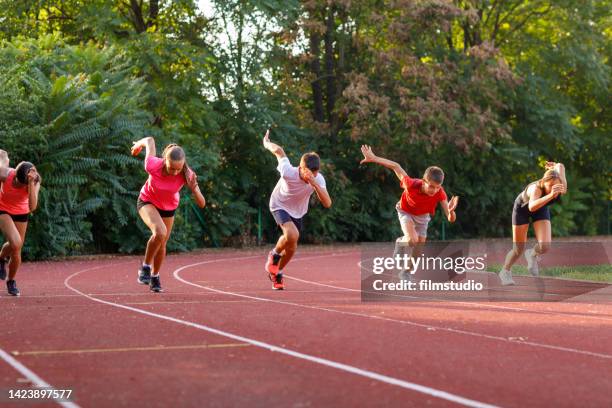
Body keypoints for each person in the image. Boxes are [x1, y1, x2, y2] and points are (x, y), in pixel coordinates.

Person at [359, 145, 458, 279]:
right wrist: (374, 158)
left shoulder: (440, 193)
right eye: (431, 186)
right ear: (424, 181)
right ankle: (400, 242)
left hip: (423, 216)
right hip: (405, 211)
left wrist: (451, 211)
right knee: (412, 240)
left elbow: (450, 219)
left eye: (437, 187)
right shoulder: (411, 184)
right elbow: (396, 166)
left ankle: (406, 272)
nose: (433, 190)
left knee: (419, 248)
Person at [131, 137, 206, 292]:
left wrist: (193, 189)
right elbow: (150, 141)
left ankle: (155, 276)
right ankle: (145, 267)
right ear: (164, 160)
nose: (175, 172)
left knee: (162, 242)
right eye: (172, 168)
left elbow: (202, 203)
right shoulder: (152, 165)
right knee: (160, 232)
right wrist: (138, 145)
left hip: (168, 207)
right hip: (147, 201)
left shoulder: (187, 174)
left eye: (179, 169)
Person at [263, 130, 332, 290]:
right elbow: (279, 151)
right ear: (300, 167)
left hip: (297, 211)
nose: (310, 174)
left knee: (292, 245)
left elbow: (327, 203)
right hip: (279, 204)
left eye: (314, 172)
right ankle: (274, 255)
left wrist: (314, 183)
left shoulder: (318, 179)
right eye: (308, 171)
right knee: (292, 234)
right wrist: (266, 143)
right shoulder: (288, 171)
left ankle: (277, 271)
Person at [498, 162, 567, 285]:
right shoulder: (536, 188)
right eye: (550, 185)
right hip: (523, 209)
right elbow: (532, 206)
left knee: (545, 246)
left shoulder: (559, 183)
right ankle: (505, 271)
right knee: (518, 249)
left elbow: (561, 167)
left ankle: (532, 254)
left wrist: (557, 165)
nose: (553, 188)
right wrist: (551, 195)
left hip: (541, 208)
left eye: (556, 186)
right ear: (543, 181)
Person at [0, 158, 42, 296]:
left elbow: (32, 207)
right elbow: (3, 154)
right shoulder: (5, 174)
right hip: (3, 209)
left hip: (21, 212)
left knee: (16, 249)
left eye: (20, 184)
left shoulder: (35, 181)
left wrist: (30, 183)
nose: (17, 185)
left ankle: (10, 280)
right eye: (15, 182)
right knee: (16, 243)